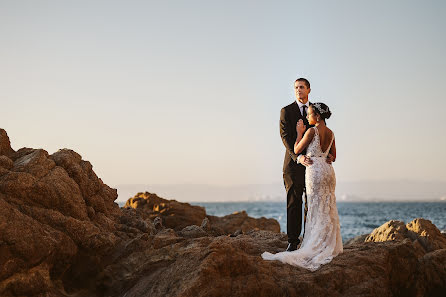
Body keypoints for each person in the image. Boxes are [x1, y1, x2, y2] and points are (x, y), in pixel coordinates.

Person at [262, 102, 343, 271]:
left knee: (314, 206)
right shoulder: (331, 132)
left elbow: (298, 148)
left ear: (317, 116)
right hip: (328, 171)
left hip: (314, 171)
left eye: (310, 115)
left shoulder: (311, 131)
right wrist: (327, 158)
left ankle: (314, 244)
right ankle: (329, 243)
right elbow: (333, 155)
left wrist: (299, 133)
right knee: (327, 206)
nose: (307, 117)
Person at [274, 78, 334, 253]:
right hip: (293, 165)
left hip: (315, 166)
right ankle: (293, 241)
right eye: (295, 88)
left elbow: (323, 133)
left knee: (312, 203)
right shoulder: (286, 111)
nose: (298, 90)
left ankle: (310, 239)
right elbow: (285, 138)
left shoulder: (316, 110)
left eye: (301, 87)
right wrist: (298, 157)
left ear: (308, 90)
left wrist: (327, 154)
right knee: (294, 201)